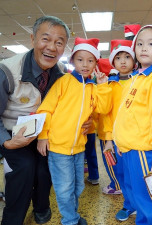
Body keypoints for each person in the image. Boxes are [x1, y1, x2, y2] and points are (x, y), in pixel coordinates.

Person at [0, 16, 91, 225]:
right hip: (5, 129)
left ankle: (42, 207)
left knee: (48, 163)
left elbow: (73, 107)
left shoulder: (61, 75)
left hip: (40, 131)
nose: (51, 47)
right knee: (25, 166)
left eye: (59, 42)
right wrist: (8, 141)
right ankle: (12, 219)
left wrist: (88, 121)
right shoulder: (5, 72)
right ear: (33, 39)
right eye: (46, 39)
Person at [36, 37, 111, 225]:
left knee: (77, 186)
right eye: (80, 59)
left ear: (95, 63)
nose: (85, 64)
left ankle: (73, 216)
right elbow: (45, 110)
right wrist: (43, 136)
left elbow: (101, 110)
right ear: (72, 61)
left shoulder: (94, 87)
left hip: (79, 147)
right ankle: (69, 220)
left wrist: (103, 87)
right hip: (58, 147)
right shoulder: (64, 82)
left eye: (90, 60)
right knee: (64, 188)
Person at [113, 25, 152, 225]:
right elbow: (127, 115)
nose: (144, 48)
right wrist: (121, 143)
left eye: (151, 43)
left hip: (144, 150)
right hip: (131, 149)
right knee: (138, 197)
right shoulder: (138, 77)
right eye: (139, 44)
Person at [101, 39, 138, 221]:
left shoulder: (141, 83)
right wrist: (108, 139)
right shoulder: (111, 86)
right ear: (113, 62)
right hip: (117, 139)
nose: (123, 61)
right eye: (118, 58)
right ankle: (129, 205)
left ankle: (142, 204)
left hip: (137, 138)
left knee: (138, 173)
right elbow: (106, 114)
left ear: (134, 60)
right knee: (122, 173)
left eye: (127, 57)